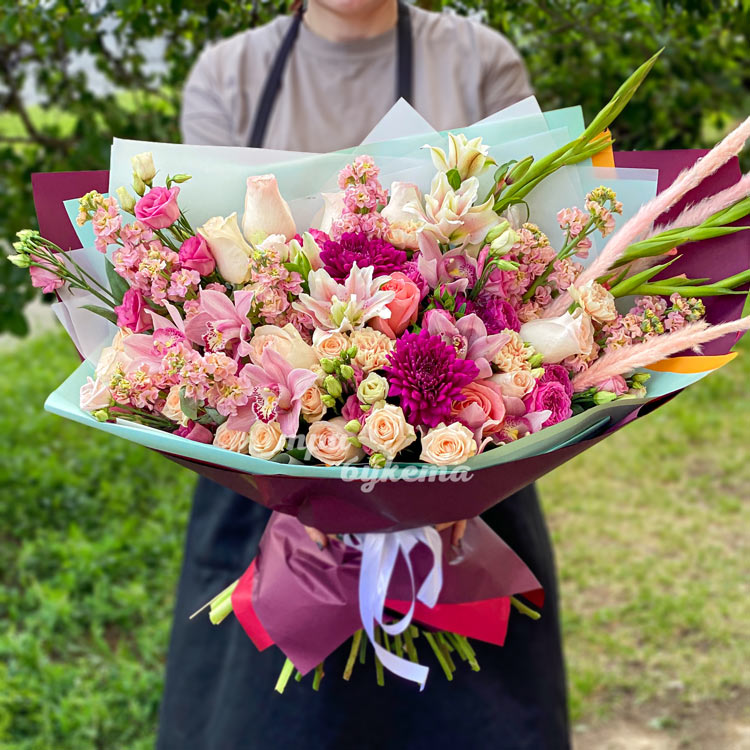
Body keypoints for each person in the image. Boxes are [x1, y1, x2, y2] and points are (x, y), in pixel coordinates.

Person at [158, 2, 570, 748]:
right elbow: (196, 294)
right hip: (262, 475)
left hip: (467, 475)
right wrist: (300, 480)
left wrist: (449, 471)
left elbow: (530, 268)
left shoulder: (479, 61)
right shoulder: (230, 75)